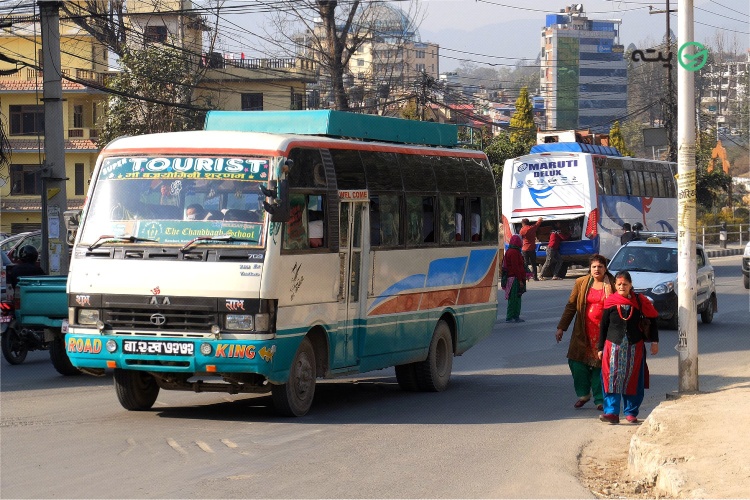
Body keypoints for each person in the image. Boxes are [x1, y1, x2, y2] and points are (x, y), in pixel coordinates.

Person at [597, 270, 660, 424]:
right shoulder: (610, 301)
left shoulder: (640, 301)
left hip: (634, 347)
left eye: (625, 284)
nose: (621, 286)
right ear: (615, 285)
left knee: (633, 379)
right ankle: (611, 412)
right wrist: (600, 348)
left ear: (631, 285)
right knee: (611, 378)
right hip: (612, 347)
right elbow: (603, 326)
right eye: (619, 284)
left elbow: (652, 319)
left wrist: (654, 341)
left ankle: (631, 412)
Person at [555, 255, 615, 411]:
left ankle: (600, 400)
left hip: (604, 332)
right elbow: (571, 306)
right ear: (590, 268)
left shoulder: (613, 284)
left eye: (600, 267)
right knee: (575, 362)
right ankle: (583, 394)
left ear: (605, 268)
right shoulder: (581, 283)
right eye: (594, 267)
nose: (597, 269)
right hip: (583, 330)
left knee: (599, 366)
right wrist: (562, 327)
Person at [501, 234, 527, 323]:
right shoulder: (514, 252)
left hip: (513, 277)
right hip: (514, 278)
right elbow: (516, 267)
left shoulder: (511, 251)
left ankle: (515, 316)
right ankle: (511, 316)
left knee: (516, 298)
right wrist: (520, 280)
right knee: (514, 299)